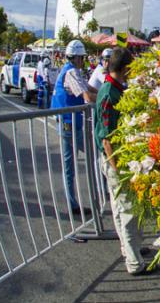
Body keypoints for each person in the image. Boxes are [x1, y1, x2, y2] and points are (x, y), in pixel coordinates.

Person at [94, 48, 150, 275]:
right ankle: (134, 262)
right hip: (114, 159)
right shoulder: (109, 94)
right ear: (124, 68)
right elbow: (107, 139)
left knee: (122, 208)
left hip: (118, 158)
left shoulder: (116, 88)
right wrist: (119, 171)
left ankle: (131, 249)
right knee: (126, 210)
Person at [51, 39, 96, 216]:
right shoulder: (70, 73)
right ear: (77, 58)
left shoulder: (72, 71)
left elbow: (89, 88)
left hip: (71, 122)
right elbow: (87, 96)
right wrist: (106, 98)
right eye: (82, 58)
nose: (83, 60)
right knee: (75, 163)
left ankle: (76, 201)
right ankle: (73, 203)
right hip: (69, 123)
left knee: (88, 156)